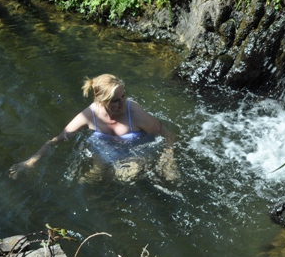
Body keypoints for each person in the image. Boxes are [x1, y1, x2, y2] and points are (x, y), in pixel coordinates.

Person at [9, 74, 176, 179]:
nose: (122, 103)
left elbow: (167, 134)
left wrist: (168, 159)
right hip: (105, 151)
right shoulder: (89, 115)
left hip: (135, 150)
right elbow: (56, 140)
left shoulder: (134, 112)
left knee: (125, 176)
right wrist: (30, 162)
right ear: (101, 101)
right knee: (86, 180)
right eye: (115, 100)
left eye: (123, 96)